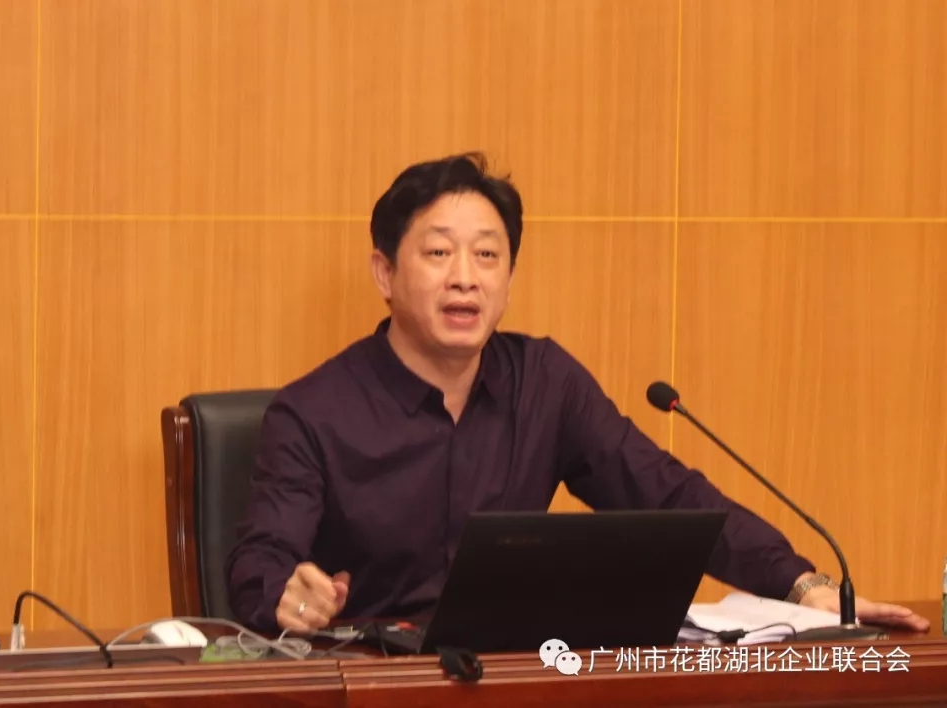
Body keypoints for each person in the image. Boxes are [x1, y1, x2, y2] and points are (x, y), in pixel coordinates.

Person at [224, 153, 930, 636]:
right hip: (376, 687)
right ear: (385, 273)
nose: (465, 276)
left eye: (488, 254)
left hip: (515, 681)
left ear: (509, 276)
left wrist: (803, 586)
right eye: (438, 253)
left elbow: (668, 497)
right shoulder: (312, 414)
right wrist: (287, 595)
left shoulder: (545, 382)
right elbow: (259, 565)